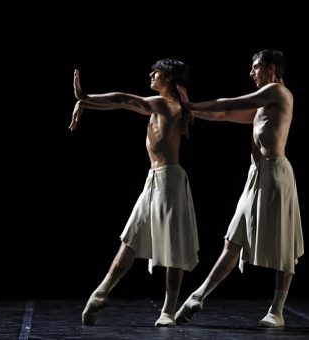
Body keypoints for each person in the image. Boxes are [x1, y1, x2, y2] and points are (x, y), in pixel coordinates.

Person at [175, 49, 304, 328]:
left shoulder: (277, 93)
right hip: (256, 176)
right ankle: (198, 296)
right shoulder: (263, 104)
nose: (251, 73)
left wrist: (192, 104)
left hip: (276, 174)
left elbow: (228, 101)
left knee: (284, 243)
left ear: (271, 68)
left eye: (255, 67)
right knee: (233, 238)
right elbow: (224, 114)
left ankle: (277, 310)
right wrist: (192, 110)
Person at [69, 58, 200, 327]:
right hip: (154, 180)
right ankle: (100, 293)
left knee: (174, 248)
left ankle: (167, 310)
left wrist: (85, 96)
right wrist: (86, 103)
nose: (151, 74)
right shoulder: (169, 105)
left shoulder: (166, 104)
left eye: (157, 72)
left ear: (170, 79)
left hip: (170, 182)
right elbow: (122, 102)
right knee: (130, 240)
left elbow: (125, 100)